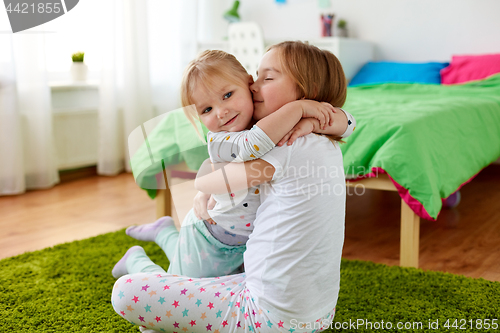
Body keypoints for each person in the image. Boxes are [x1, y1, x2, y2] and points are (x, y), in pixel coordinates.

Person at [112, 41, 350, 332]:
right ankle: (142, 255)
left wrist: (309, 117)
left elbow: (347, 123)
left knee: (150, 291)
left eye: (267, 78)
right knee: (183, 277)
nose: (253, 85)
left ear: (308, 88)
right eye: (255, 76)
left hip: (246, 263)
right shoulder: (271, 139)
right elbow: (344, 124)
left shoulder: (285, 142)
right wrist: (308, 114)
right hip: (211, 235)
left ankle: (160, 236)